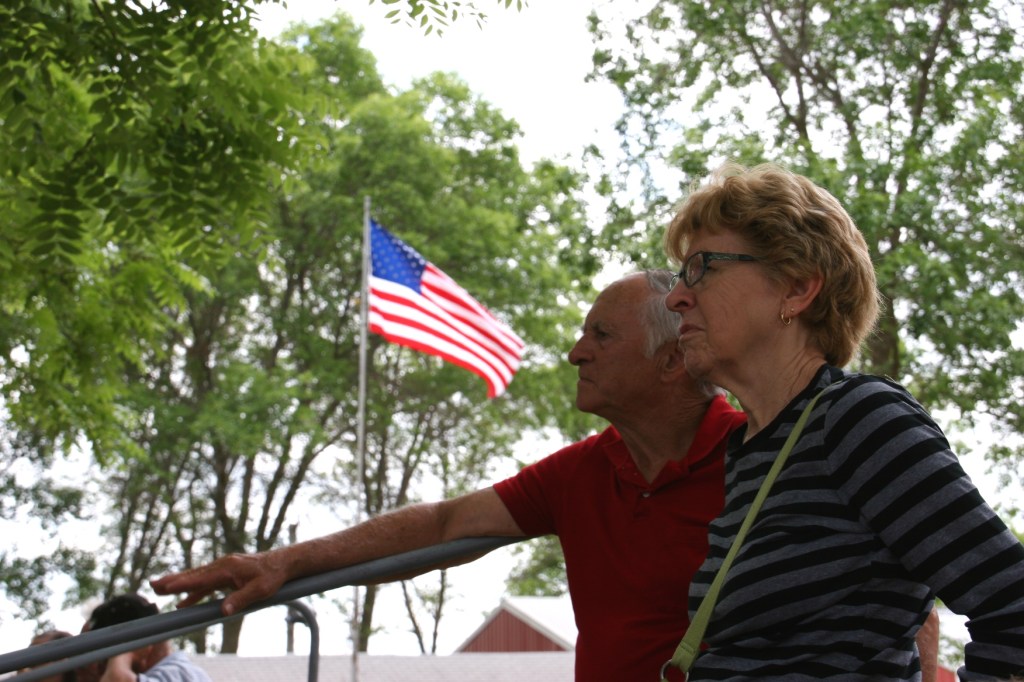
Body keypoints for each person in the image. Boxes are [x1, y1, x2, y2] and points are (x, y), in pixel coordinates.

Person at [151, 271, 939, 680]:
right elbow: (439, 526)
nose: (574, 352)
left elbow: (901, 584)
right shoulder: (581, 474)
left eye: (600, 334)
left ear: (673, 359)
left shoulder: (770, 451)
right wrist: (284, 562)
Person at [663, 161, 1024, 680]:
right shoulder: (751, 449)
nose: (677, 296)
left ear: (796, 289)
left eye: (703, 267)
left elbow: (1013, 606)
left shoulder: (859, 418)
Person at [84, 594, 211, 682]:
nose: (102, 668)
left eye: (106, 657)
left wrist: (121, 652)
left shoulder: (174, 675)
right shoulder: (181, 672)